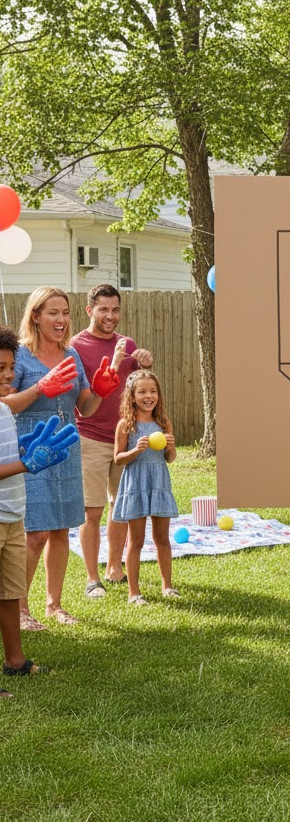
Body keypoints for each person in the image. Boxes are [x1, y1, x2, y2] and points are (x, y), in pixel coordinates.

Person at [6, 287, 118, 630]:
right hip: (31, 450)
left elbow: (84, 407)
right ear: (35, 316)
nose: (61, 320)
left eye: (65, 313)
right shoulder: (20, 357)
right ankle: (20, 609)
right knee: (35, 533)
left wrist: (100, 389)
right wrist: (41, 387)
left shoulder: (71, 355)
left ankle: (54, 604)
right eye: (53, 313)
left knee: (60, 531)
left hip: (66, 449)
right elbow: (3, 406)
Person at [0, 325, 80, 694]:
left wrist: (25, 449)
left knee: (9, 593)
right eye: (0, 368)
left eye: (10, 367)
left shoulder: (3, 409)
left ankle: (15, 661)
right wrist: (27, 464)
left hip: (13, 513)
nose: (8, 375)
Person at [71, 284, 153, 598]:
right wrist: (115, 363)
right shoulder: (76, 346)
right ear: (89, 310)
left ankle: (115, 566)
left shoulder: (126, 343)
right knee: (92, 512)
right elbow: (82, 398)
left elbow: (138, 384)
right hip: (90, 437)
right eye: (103, 309)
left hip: (126, 439)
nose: (110, 316)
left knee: (122, 507)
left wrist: (144, 360)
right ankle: (93, 578)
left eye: (115, 309)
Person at [112, 370, 179, 605]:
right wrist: (135, 450)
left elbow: (169, 459)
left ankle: (167, 586)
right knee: (136, 541)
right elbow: (118, 459)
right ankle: (134, 592)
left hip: (158, 482)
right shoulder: (125, 425)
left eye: (153, 391)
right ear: (132, 396)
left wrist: (171, 445)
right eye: (142, 392)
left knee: (162, 538)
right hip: (136, 484)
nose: (148, 396)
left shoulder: (163, 423)